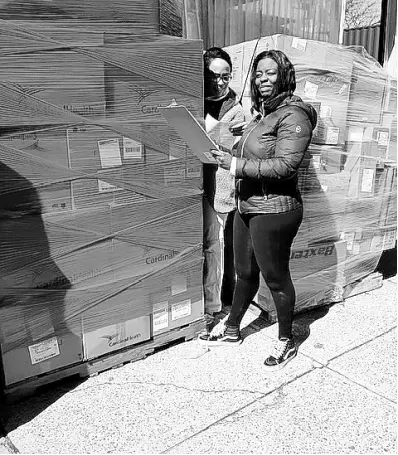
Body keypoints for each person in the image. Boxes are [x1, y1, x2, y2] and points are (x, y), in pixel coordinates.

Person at [199, 50, 318, 371]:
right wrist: (233, 146)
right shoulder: (262, 114)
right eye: (259, 74)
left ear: (284, 76)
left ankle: (286, 340)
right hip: (246, 205)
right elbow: (256, 152)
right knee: (244, 273)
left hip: (274, 210)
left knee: (276, 279)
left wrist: (235, 163)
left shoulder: (294, 115)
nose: (263, 80)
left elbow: (285, 166)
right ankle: (233, 329)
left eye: (271, 73)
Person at [202, 47, 246, 314]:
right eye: (214, 75)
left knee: (213, 245)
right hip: (194, 183)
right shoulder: (196, 100)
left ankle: (212, 305)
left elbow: (239, 151)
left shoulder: (236, 111)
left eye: (225, 77)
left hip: (219, 187)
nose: (219, 82)